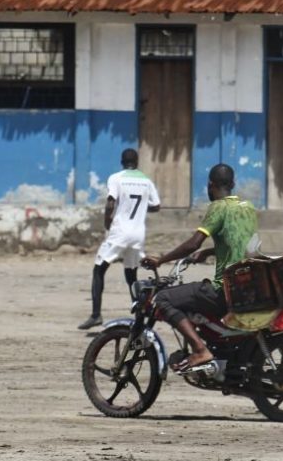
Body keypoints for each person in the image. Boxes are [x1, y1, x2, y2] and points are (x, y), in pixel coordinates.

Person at [141, 164, 257, 371]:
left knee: (163, 298)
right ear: (233, 184)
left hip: (224, 290)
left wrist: (161, 260)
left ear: (210, 186)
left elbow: (193, 243)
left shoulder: (218, 207)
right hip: (246, 286)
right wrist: (211, 251)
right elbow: (240, 244)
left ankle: (199, 349)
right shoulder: (247, 207)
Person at [78, 149, 160, 330]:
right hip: (138, 233)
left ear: (122, 161)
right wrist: (140, 209)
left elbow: (110, 203)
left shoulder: (116, 178)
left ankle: (96, 315)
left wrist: (107, 222)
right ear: (137, 162)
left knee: (99, 269)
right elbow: (156, 206)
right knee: (131, 274)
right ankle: (139, 315)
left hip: (120, 231)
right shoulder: (146, 181)